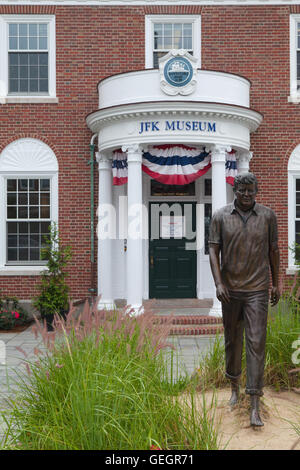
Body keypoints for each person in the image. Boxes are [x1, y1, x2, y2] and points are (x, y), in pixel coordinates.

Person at [208, 172, 280, 427]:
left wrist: (277, 283)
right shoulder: (220, 216)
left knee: (256, 342)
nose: (247, 195)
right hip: (230, 290)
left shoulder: (268, 216)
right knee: (233, 340)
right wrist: (218, 282)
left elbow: (274, 250)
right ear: (235, 191)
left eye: (251, 191)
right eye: (242, 190)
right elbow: (213, 249)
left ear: (256, 191)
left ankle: (254, 404)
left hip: (258, 289)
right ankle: (235, 388)